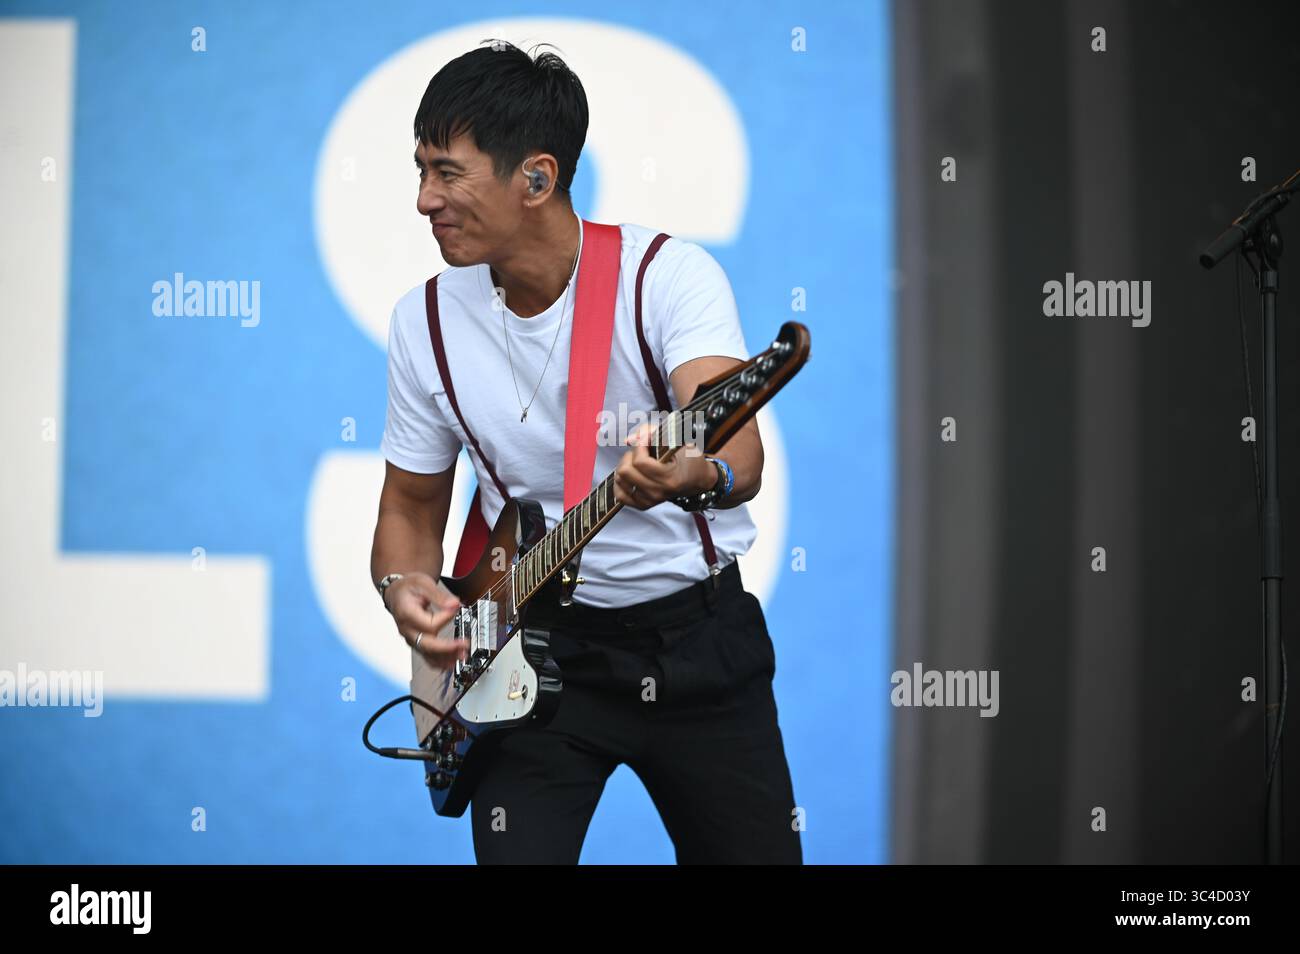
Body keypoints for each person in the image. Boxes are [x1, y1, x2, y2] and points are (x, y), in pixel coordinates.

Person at [369, 39, 800, 864]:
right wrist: (404, 587)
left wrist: (690, 474)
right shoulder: (421, 321)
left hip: (697, 651)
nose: (425, 199)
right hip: (529, 652)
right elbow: (410, 506)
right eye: (421, 170)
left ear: (536, 178)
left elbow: (738, 460)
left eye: (448, 173)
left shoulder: (665, 277)